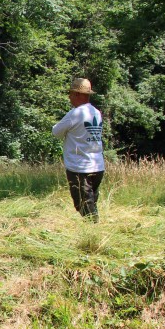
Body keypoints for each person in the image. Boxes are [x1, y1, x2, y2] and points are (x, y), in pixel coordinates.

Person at [52, 77, 104, 221]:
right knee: (91, 202)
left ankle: (94, 231)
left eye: (71, 93)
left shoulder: (75, 113)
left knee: (83, 205)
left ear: (77, 94)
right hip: (98, 166)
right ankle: (94, 227)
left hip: (80, 167)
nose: (69, 97)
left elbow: (56, 132)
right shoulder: (96, 112)